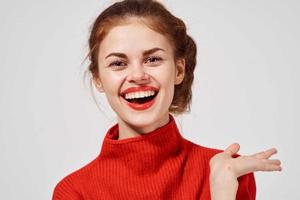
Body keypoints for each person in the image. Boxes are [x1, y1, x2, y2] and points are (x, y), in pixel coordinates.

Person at [52, 0, 281, 199]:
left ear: (179, 70)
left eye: (152, 59)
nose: (138, 76)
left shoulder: (229, 172)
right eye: (118, 63)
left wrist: (221, 194)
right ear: (98, 79)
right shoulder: (75, 192)